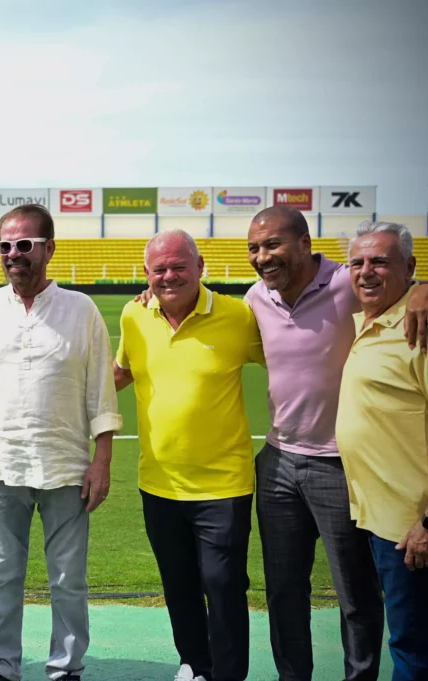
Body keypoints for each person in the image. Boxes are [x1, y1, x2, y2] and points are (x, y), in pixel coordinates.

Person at [245, 207, 428, 681]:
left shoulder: (349, 282)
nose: (264, 257)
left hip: (341, 468)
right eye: (255, 249)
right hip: (279, 461)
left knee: (356, 594)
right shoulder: (256, 297)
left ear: (305, 243)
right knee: (283, 590)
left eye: (274, 244)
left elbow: (426, 291)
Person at [0, 204, 121, 681]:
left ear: (49, 249)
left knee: (68, 581)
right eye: (5, 245)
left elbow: (101, 394)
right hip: (0, 469)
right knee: (1, 578)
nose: (13, 254)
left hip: (67, 468)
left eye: (24, 244)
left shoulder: (81, 310)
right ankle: (2, 666)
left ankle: (66, 668)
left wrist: (101, 459)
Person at [114, 229, 263, 681]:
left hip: (224, 484)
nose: (169, 275)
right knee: (178, 586)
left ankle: (228, 673)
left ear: (201, 268)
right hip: (158, 481)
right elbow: (120, 372)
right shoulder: (133, 316)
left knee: (223, 584)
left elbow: (290, 358)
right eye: (159, 269)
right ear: (146, 274)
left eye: (179, 266)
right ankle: (196, 665)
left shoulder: (238, 316)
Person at [336, 221, 428, 680]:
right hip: (370, 514)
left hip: (410, 523)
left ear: (410, 268)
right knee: (410, 634)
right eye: (358, 262)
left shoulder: (425, 323)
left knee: (413, 641)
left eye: (380, 262)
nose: (366, 272)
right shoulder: (369, 321)